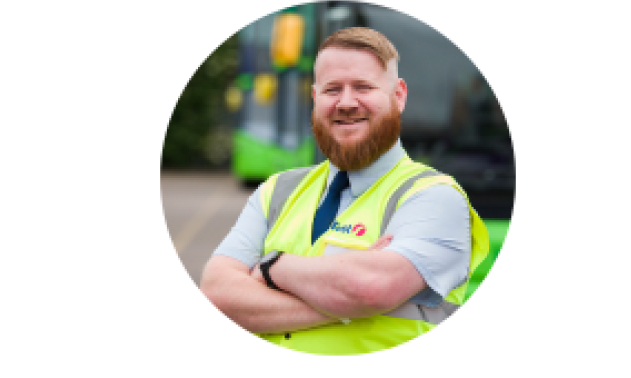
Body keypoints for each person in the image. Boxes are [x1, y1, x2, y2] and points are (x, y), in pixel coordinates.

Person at [201, 27, 489, 355]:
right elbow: (216, 293)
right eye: (332, 89)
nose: (346, 102)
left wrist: (271, 267)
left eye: (363, 87)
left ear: (398, 95)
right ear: (315, 98)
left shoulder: (435, 197)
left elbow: (368, 289)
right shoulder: (277, 190)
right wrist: (345, 303)